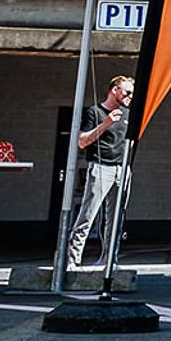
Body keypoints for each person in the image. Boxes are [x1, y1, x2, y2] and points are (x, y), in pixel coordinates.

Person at [65, 75, 134, 269]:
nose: (129, 97)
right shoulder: (95, 112)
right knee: (88, 214)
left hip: (122, 169)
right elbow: (82, 142)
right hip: (101, 166)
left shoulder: (128, 114)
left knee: (116, 218)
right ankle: (73, 259)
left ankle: (110, 260)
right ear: (115, 90)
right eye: (127, 92)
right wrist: (106, 123)